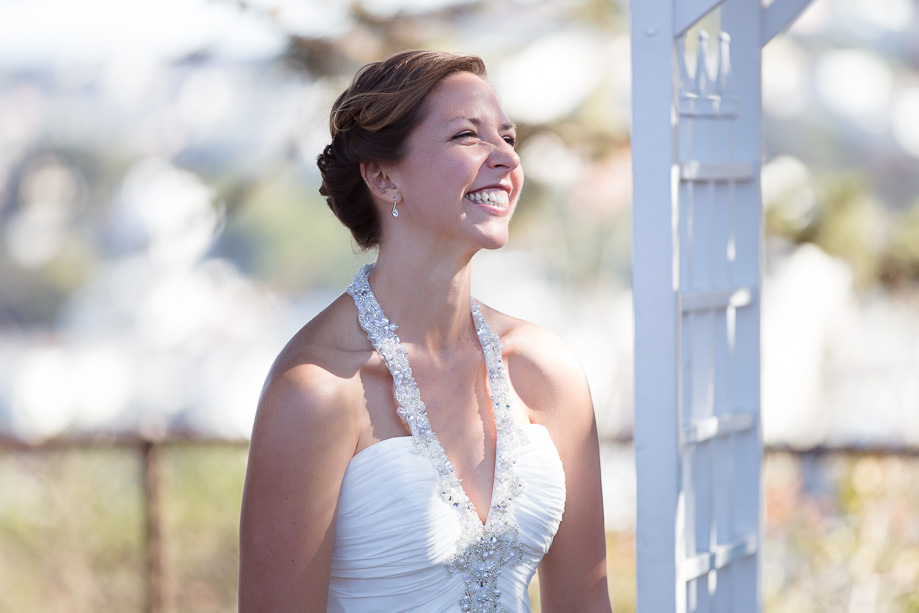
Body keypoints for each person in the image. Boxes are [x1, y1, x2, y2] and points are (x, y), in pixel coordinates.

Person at [238, 49, 611, 612]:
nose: (506, 157)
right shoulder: (316, 392)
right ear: (383, 177)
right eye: (467, 135)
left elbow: (586, 601)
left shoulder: (545, 371)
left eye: (508, 137)